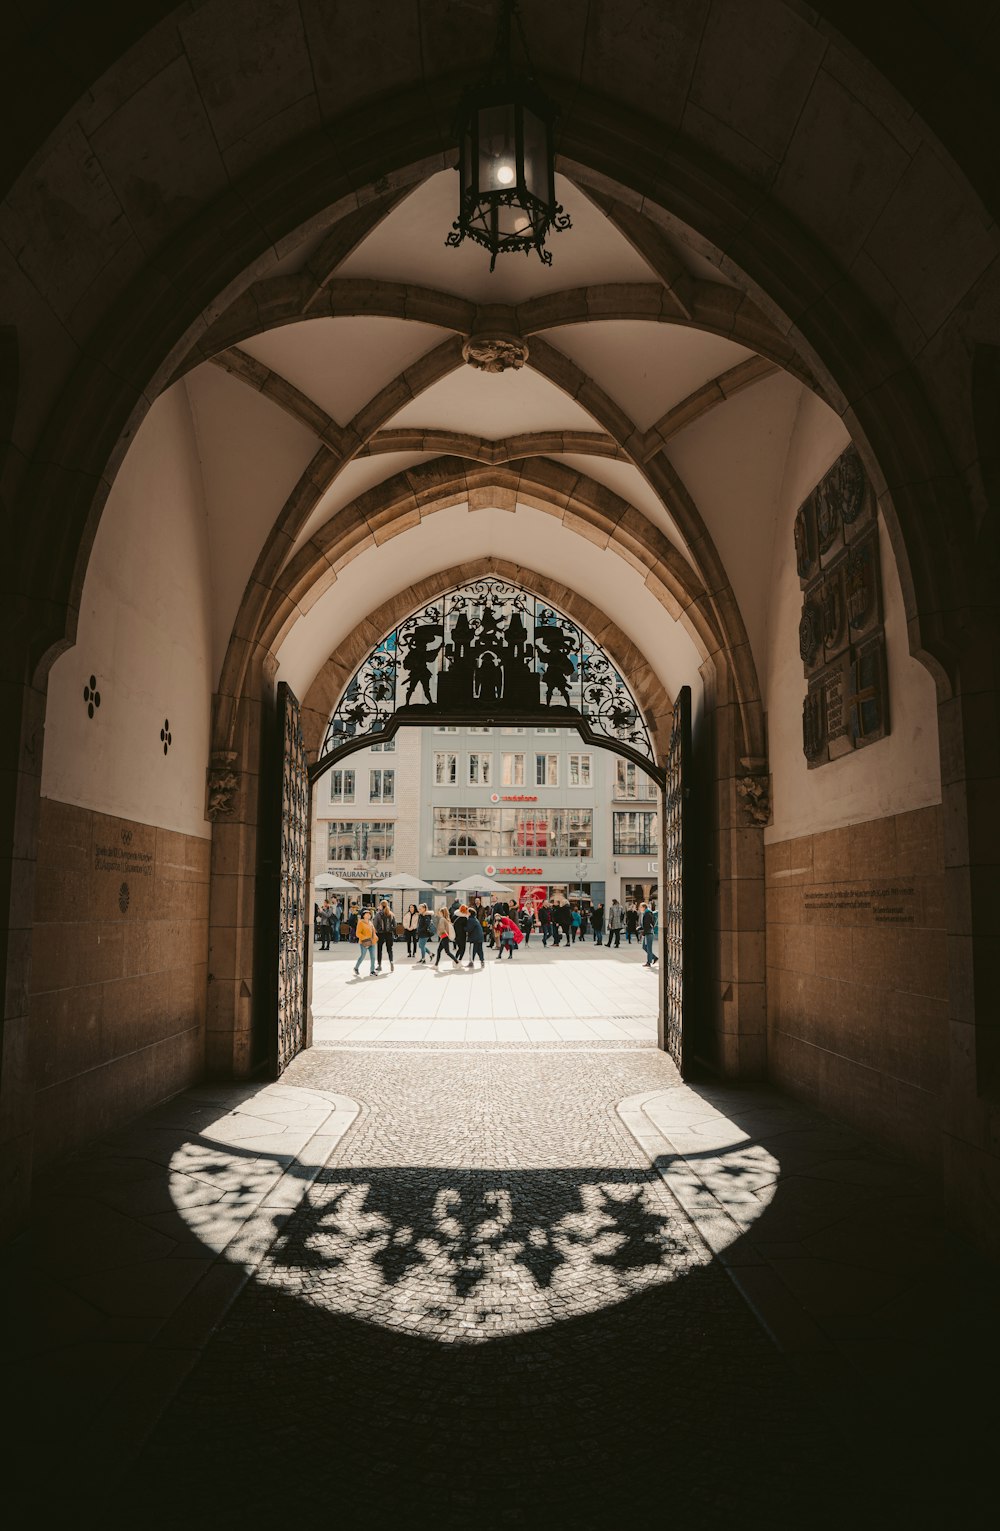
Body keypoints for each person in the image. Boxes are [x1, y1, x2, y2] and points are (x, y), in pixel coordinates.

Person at [353, 907, 377, 976]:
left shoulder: (370, 923)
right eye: (367, 914)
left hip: (372, 942)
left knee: (373, 957)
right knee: (363, 956)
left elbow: (373, 932)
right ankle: (356, 968)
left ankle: (372, 971)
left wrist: (375, 937)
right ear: (363, 915)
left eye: (369, 914)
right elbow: (358, 933)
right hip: (364, 942)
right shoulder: (360, 923)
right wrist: (365, 937)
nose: (368, 915)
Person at [374, 900, 395, 972]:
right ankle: (391, 962)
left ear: (381, 906)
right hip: (389, 934)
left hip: (380, 934)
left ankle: (379, 965)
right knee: (390, 949)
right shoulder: (391, 914)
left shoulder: (378, 914)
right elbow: (395, 925)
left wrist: (378, 930)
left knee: (379, 950)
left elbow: (375, 925)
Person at [640, 902, 659, 968]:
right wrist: (640, 928)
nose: (640, 908)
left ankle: (649, 962)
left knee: (648, 947)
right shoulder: (646, 913)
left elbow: (647, 924)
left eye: (640, 907)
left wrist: (644, 932)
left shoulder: (647, 913)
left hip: (649, 932)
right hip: (647, 932)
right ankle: (654, 957)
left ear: (643, 907)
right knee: (644, 947)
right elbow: (646, 923)